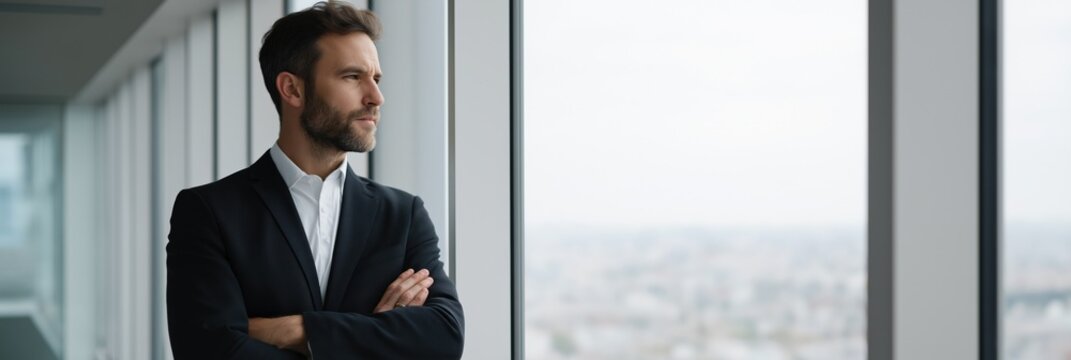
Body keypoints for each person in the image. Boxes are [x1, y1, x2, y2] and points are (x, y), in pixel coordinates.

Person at [165, 2, 464, 358]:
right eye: (353, 77)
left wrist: (299, 330)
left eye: (376, 79)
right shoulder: (208, 212)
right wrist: (373, 339)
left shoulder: (402, 215)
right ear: (292, 89)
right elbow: (208, 351)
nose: (376, 97)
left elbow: (443, 336)